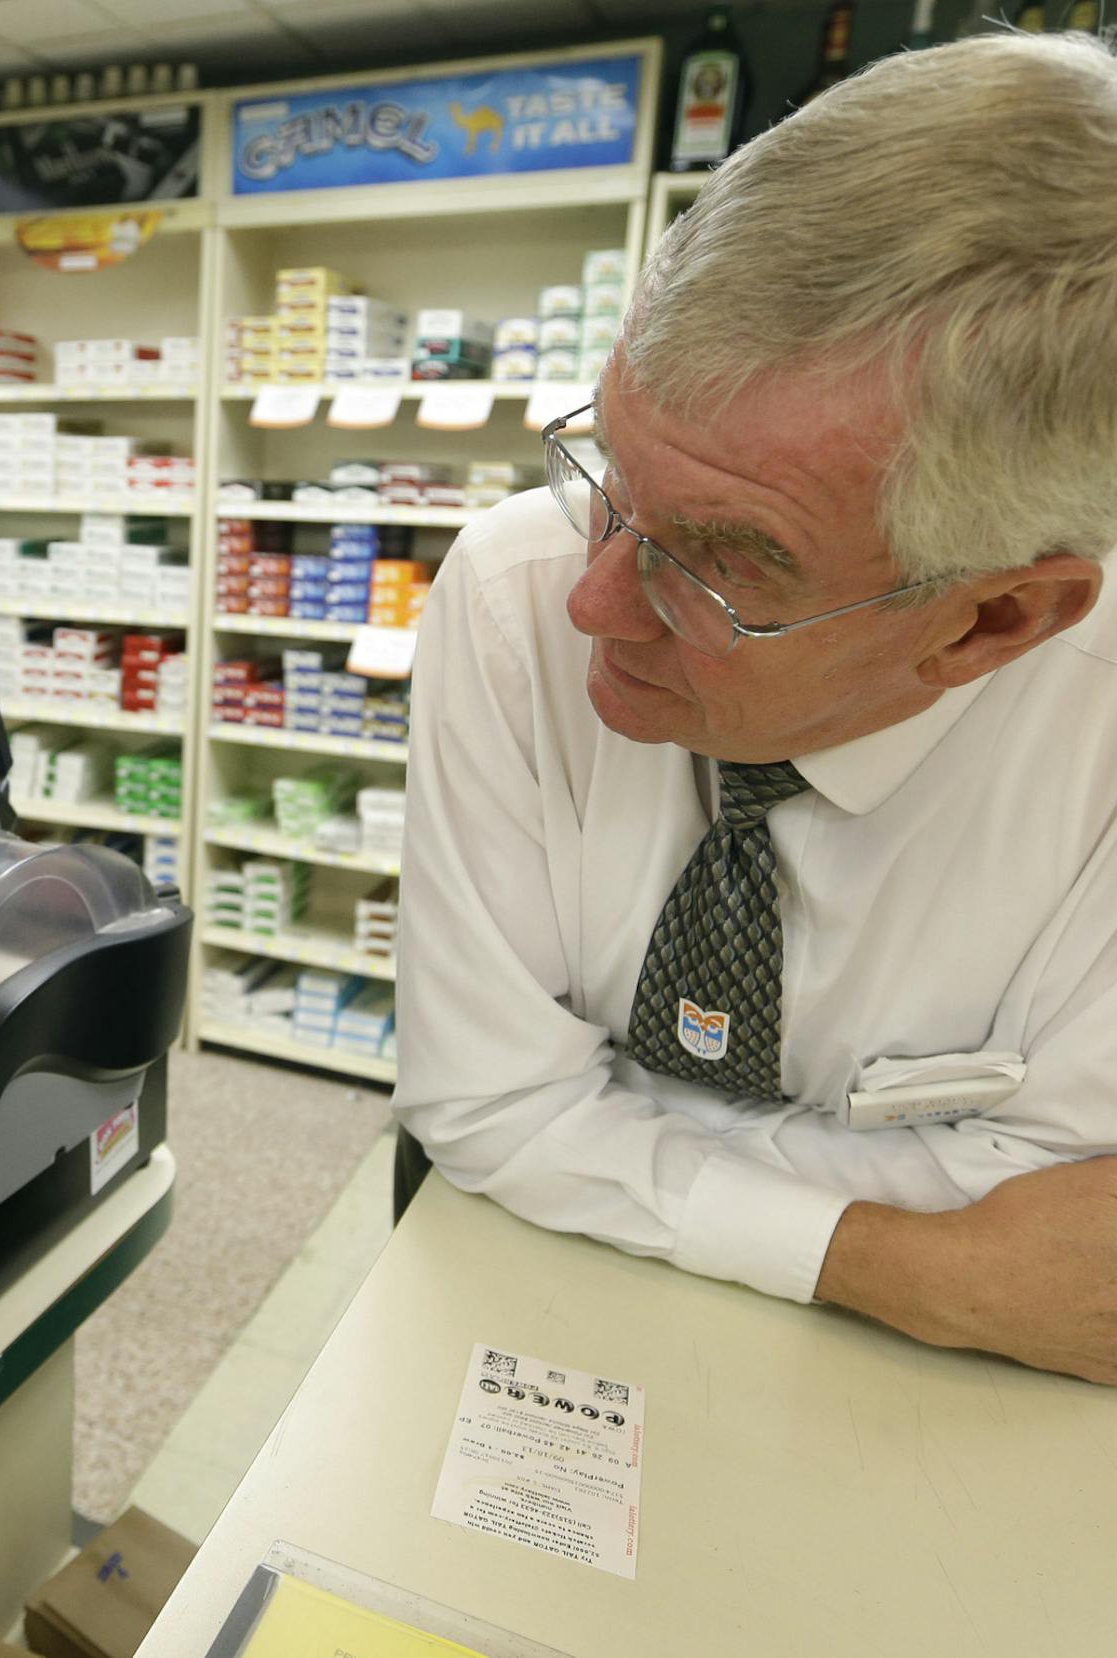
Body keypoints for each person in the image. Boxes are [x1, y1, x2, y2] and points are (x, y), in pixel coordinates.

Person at [391, 31, 1117, 1386]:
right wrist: (915, 1257)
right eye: (606, 466)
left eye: (722, 558)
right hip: (552, 1319)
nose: (594, 602)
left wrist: (606, 1129)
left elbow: (1083, 1225)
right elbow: (482, 1106)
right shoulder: (508, 595)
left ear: (995, 617)